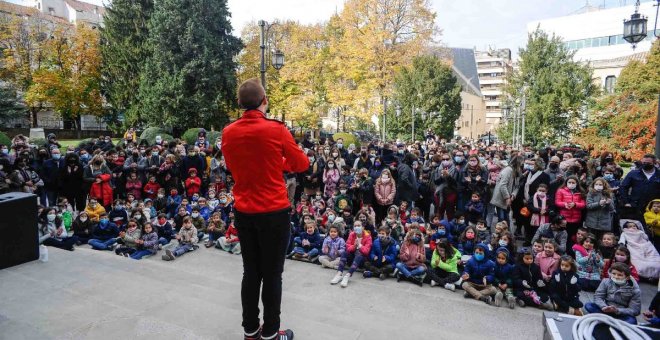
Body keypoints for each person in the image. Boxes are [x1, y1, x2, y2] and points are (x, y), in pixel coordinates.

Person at [221, 78, 309, 340]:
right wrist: (278, 161)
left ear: (240, 104)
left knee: (251, 272)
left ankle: (250, 331)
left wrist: (270, 160)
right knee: (272, 276)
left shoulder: (228, 131)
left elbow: (234, 164)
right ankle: (271, 333)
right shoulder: (276, 130)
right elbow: (301, 163)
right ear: (264, 101)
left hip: (244, 211)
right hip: (273, 212)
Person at [330, 220, 371, 288]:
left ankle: (347, 275)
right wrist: (354, 246)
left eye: (358, 226)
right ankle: (339, 274)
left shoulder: (368, 236)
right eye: (355, 226)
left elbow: (366, 251)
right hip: (352, 257)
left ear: (363, 227)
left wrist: (359, 245)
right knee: (344, 253)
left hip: (361, 260)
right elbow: (348, 248)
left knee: (359, 256)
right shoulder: (352, 234)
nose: (356, 227)